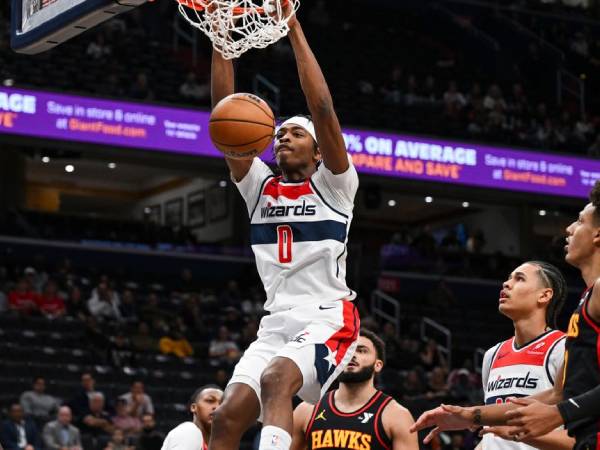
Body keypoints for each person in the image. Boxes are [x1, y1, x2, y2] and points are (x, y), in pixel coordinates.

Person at [209, 3, 360, 450]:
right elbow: (224, 115)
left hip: (327, 316)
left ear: (318, 153)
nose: (282, 137)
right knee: (225, 416)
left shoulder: (335, 186)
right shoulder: (259, 188)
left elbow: (323, 106)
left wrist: (292, 28)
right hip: (275, 321)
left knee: (278, 380)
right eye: (279, 134)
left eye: (295, 133)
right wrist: (221, 40)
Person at [410, 181, 600, 450]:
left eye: (579, 221)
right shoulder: (586, 300)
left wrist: (559, 414)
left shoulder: (588, 306)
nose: (568, 228)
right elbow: (559, 394)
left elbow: (561, 406)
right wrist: (470, 416)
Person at [479, 261, 573, 450]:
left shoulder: (563, 348)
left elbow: (579, 436)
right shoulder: (492, 355)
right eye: (508, 278)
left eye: (519, 278)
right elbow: (491, 436)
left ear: (544, 295)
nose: (506, 284)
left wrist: (519, 436)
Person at [290, 330, 418, 450]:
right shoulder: (307, 410)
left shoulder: (397, 416)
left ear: (377, 365)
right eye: (347, 350)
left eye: (361, 350)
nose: (351, 354)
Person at [161, 385, 223, 450]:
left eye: (222, 403)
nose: (217, 407)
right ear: (193, 407)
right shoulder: (189, 431)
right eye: (210, 401)